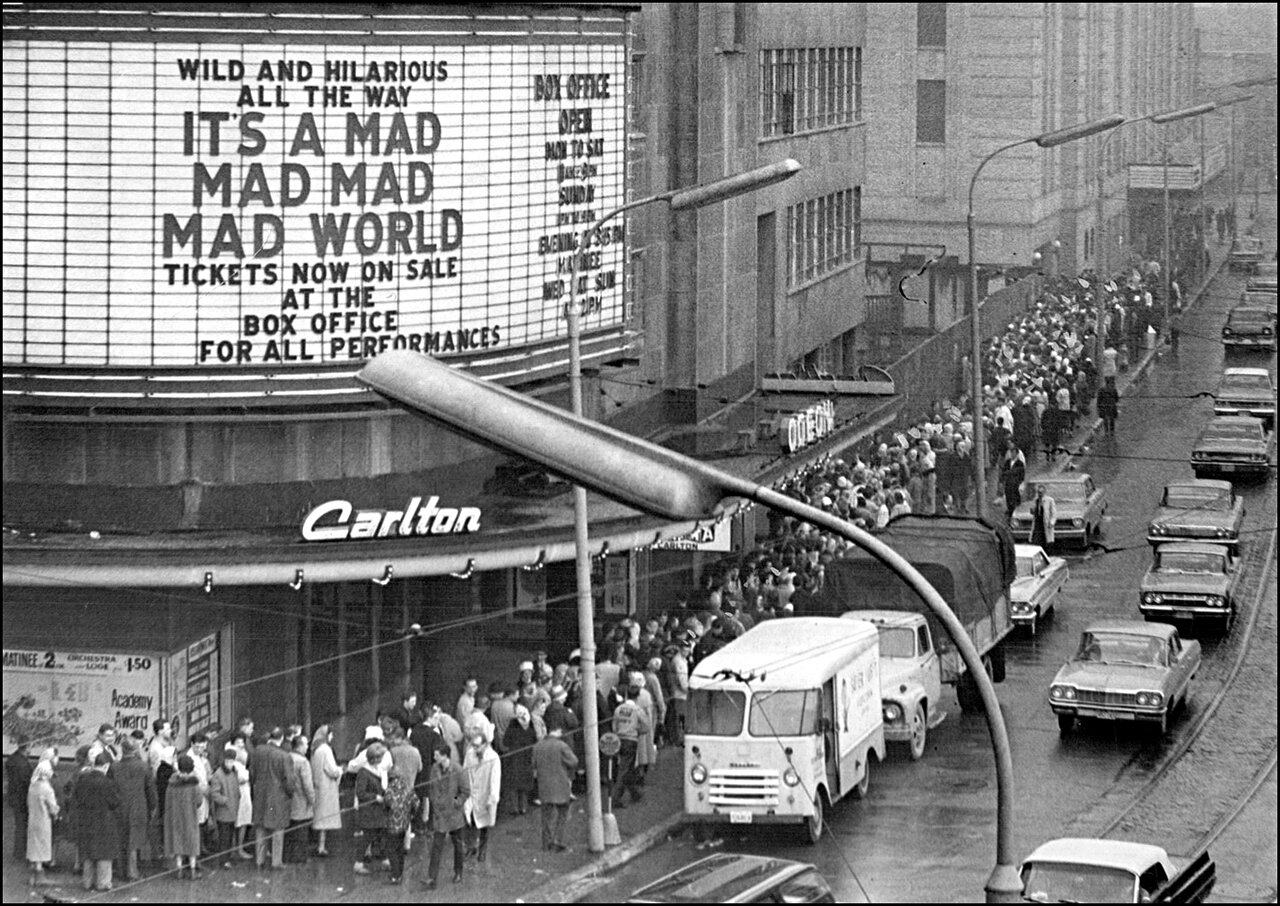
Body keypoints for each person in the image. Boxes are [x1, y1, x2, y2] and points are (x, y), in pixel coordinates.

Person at [422, 742, 470, 890]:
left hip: (454, 815)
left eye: (437, 754)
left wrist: (458, 802)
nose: (434, 756)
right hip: (440, 814)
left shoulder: (457, 769)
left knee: (458, 845)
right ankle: (432, 877)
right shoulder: (434, 769)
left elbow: (466, 790)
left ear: (444, 756)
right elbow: (432, 787)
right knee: (436, 846)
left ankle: (458, 871)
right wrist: (434, 802)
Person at [110, 735, 156, 881]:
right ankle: (132, 872)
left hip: (119, 807)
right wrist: (153, 807)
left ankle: (121, 871)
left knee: (121, 839)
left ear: (122, 749)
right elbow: (150, 790)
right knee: (134, 840)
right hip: (139, 807)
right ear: (136, 749)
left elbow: (110, 788)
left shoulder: (114, 767)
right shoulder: (143, 766)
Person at [249, 726, 295, 870]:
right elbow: (289, 780)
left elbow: (252, 774)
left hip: (260, 795)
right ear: (281, 738)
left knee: (260, 828)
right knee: (278, 829)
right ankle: (276, 861)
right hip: (278, 797)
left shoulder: (257, 752)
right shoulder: (284, 756)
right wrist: (290, 793)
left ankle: (260, 860)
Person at [75, 751, 121, 891]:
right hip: (104, 822)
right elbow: (115, 802)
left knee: (88, 852)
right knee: (104, 854)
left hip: (86, 820)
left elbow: (77, 797)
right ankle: (103, 882)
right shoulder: (108, 783)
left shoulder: (83, 780)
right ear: (106, 765)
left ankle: (87, 882)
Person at [532, 716, 578, 852]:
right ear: (558, 731)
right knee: (562, 814)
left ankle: (546, 843)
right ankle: (557, 841)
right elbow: (574, 761)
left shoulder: (538, 746)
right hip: (561, 786)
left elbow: (533, 764)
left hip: (544, 787)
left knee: (546, 816)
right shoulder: (561, 746)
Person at [462, 730, 500, 863]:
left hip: (485, 795)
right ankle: (470, 847)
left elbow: (495, 781)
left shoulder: (493, 758)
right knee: (469, 821)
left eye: (478, 746)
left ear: (485, 744)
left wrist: (492, 798)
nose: (475, 748)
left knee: (485, 826)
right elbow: (465, 772)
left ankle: (482, 852)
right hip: (472, 794)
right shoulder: (470, 755)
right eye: (473, 745)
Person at [352, 741, 390, 877]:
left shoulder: (377, 769)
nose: (382, 760)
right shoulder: (364, 772)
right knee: (368, 837)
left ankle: (385, 860)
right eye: (380, 758)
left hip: (378, 810)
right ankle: (358, 863)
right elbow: (360, 793)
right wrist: (375, 797)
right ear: (374, 758)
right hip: (369, 811)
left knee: (382, 834)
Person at [164, 754, 203, 880]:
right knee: (192, 842)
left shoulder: (171, 784)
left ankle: (179, 869)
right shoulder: (194, 784)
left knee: (178, 841)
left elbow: (167, 801)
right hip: (190, 816)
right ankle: (192, 871)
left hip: (175, 816)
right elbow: (199, 801)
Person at [611, 683, 650, 807]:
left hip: (618, 739)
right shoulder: (637, 710)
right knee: (625, 770)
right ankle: (615, 798)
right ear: (637, 697)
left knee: (628, 768)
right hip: (631, 741)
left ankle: (635, 793)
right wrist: (638, 731)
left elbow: (614, 725)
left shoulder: (618, 709)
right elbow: (646, 726)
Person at [26, 754, 59, 887]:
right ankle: (40, 875)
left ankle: (33, 875)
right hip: (43, 820)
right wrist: (56, 813)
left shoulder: (33, 785)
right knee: (41, 846)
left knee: (34, 845)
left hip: (33, 818)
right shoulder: (47, 788)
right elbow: (52, 806)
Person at [309, 725, 342, 857]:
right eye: (331, 734)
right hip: (327, 788)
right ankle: (321, 847)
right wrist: (340, 770)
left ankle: (319, 845)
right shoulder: (326, 750)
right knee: (324, 819)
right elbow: (332, 770)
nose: (332, 737)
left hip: (318, 786)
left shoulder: (315, 749)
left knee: (319, 817)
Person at [501, 704, 537, 815]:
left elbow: (505, 741)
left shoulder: (513, 725)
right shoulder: (530, 724)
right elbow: (534, 739)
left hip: (514, 758)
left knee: (514, 785)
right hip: (527, 757)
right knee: (524, 784)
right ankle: (524, 807)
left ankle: (515, 808)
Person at [209, 747, 242, 869]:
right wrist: (225, 800)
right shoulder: (218, 774)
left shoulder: (234, 772)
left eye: (232, 761)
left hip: (232, 810)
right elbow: (214, 794)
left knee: (229, 837)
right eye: (228, 761)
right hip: (223, 812)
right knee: (224, 838)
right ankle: (223, 861)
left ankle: (227, 858)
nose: (230, 763)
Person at [383, 770, 418, 885]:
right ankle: (399, 874)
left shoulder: (390, 790)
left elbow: (387, 803)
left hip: (393, 824)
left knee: (391, 849)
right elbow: (416, 802)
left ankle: (395, 875)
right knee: (399, 849)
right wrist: (411, 814)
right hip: (404, 824)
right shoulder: (408, 789)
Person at [285, 735, 314, 864]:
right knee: (302, 832)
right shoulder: (303, 762)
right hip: (301, 800)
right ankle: (301, 857)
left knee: (289, 831)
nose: (307, 747)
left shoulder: (286, 757)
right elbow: (307, 784)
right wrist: (312, 799)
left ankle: (288, 855)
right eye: (306, 744)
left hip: (288, 800)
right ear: (300, 746)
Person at [7, 740, 34, 863]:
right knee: (23, 825)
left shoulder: (12, 759)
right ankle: (21, 851)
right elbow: (26, 781)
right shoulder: (23, 764)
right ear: (26, 747)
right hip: (22, 797)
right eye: (30, 747)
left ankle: (19, 851)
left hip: (14, 796)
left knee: (19, 824)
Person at [1001, 443, 1026, 521]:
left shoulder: (1020, 463)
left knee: (1015, 497)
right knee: (1008, 497)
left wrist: (1018, 481)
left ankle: (1014, 510)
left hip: (1015, 484)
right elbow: (1004, 471)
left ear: (1017, 454)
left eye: (1014, 453)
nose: (1012, 454)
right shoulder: (1008, 462)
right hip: (1008, 483)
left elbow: (1021, 474)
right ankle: (1009, 510)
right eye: (1011, 453)